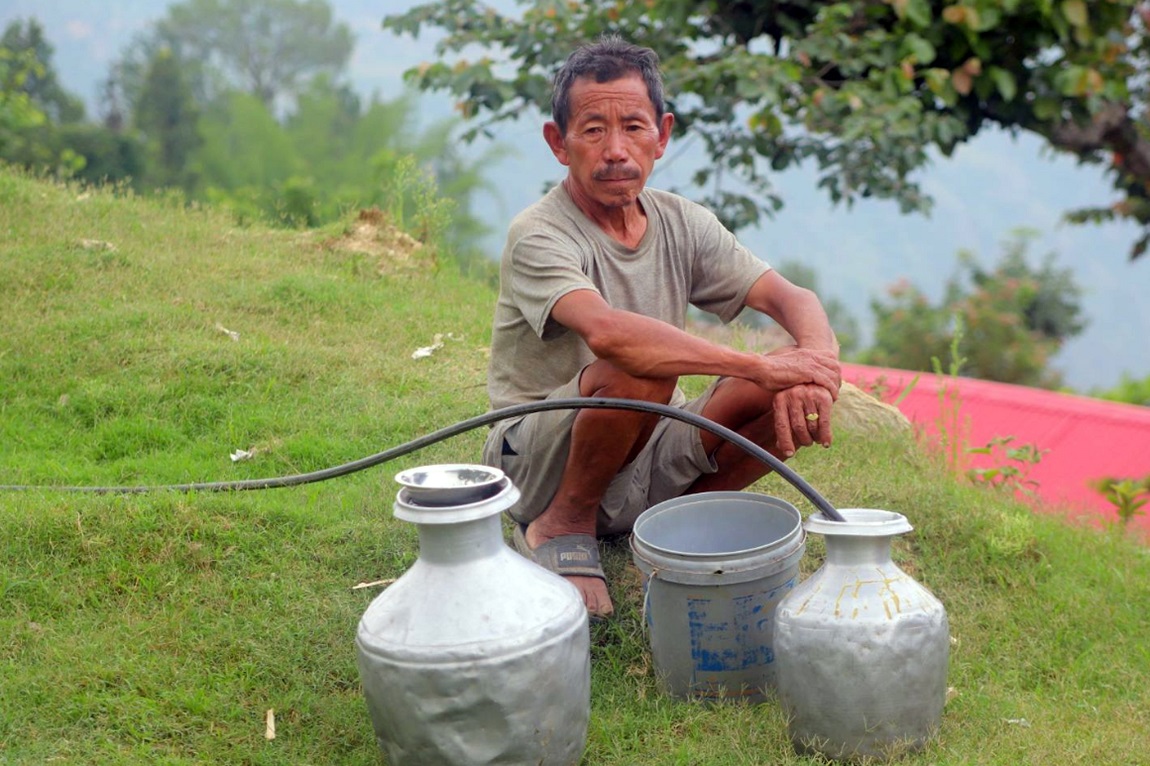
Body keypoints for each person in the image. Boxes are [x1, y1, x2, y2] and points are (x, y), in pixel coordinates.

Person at [482, 36, 841, 619]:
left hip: (643, 438)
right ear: (559, 143)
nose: (616, 150)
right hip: (537, 457)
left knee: (778, 393)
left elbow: (788, 296)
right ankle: (564, 526)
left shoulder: (682, 221)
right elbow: (610, 336)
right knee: (640, 366)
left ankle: (670, 531)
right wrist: (759, 364)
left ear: (663, 135)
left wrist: (816, 369)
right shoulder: (539, 232)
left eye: (634, 128)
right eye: (593, 130)